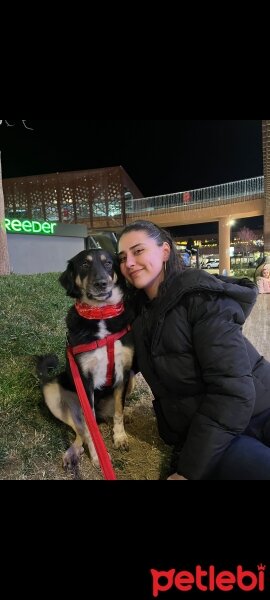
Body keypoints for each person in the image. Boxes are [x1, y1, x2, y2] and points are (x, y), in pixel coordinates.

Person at [117, 220, 270, 480]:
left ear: (165, 251)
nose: (129, 263)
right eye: (122, 257)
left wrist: (187, 472)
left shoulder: (201, 298)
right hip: (212, 429)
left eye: (138, 251)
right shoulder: (137, 315)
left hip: (259, 407)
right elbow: (116, 366)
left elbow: (233, 391)